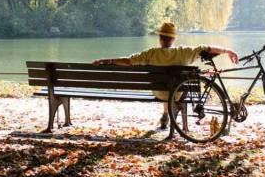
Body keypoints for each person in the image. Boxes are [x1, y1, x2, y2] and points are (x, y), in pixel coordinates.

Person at [93, 21, 239, 129]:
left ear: (160, 38)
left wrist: (107, 60)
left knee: (165, 85)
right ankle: (170, 116)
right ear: (173, 39)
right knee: (173, 85)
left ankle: (165, 115)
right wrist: (227, 51)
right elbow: (207, 47)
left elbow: (128, 61)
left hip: (159, 92)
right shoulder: (185, 52)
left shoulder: (151, 53)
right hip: (177, 93)